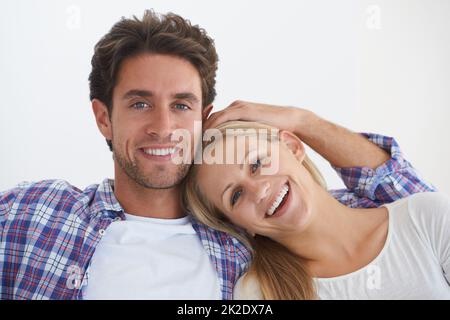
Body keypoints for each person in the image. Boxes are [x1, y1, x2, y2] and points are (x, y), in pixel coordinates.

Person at [0, 10, 434, 300]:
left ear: (204, 117)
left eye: (182, 105)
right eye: (139, 103)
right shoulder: (38, 214)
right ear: (103, 118)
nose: (164, 126)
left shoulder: (258, 229)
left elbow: (403, 197)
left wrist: (302, 121)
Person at [182, 120, 450, 299]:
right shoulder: (258, 292)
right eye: (236, 195)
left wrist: (301, 118)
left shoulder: (426, 217)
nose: (259, 189)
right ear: (238, 225)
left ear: (292, 147)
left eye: (257, 163)